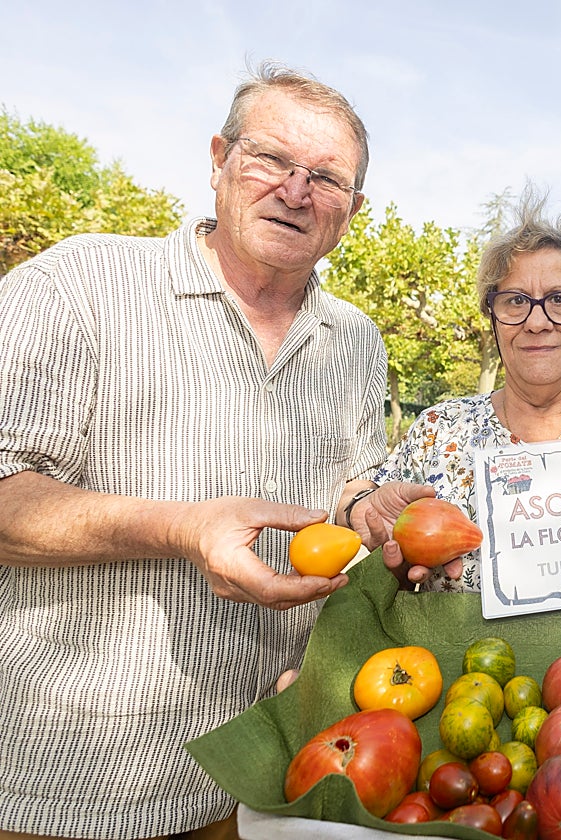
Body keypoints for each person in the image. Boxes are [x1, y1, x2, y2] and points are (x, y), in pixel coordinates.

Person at [0, 63, 433, 839]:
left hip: (264, 778)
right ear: (217, 160)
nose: (296, 191)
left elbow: (342, 486)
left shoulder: (357, 341)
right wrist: (182, 527)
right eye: (271, 158)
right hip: (68, 783)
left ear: (353, 210)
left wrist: (366, 503)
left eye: (326, 179)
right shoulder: (81, 285)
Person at [350, 188, 561, 592]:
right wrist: (396, 559)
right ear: (492, 314)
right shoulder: (438, 431)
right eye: (516, 300)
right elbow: (391, 564)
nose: (537, 321)